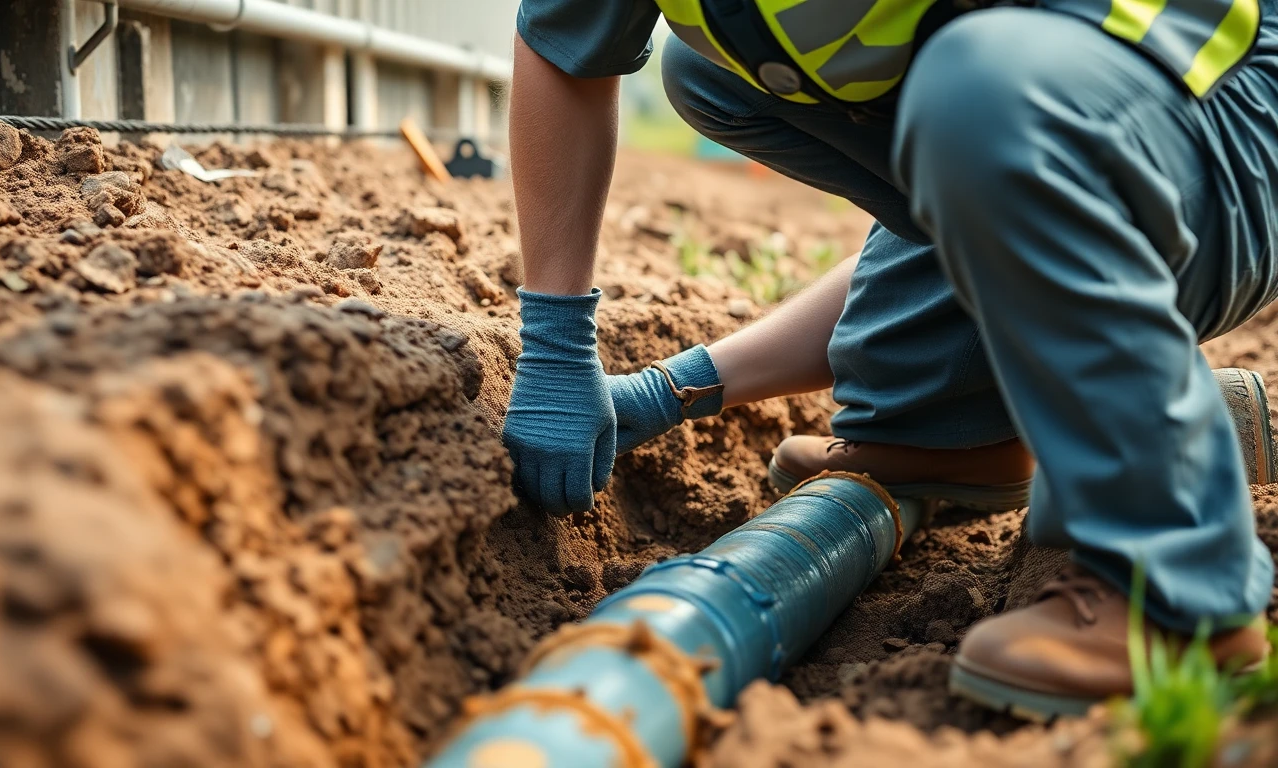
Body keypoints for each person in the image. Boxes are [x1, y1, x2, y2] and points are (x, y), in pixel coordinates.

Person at [500, 0, 1276, 718]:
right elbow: (565, 49)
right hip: (1020, 107)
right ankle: (959, 432)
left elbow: (1011, 127)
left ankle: (1173, 587)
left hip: (1221, 125)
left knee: (971, 88)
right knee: (709, 73)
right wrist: (653, 381)